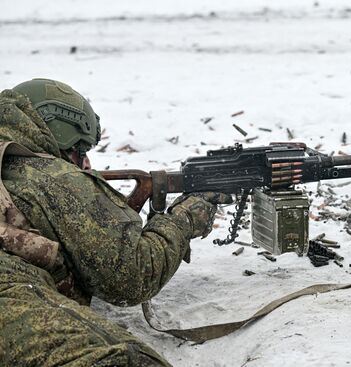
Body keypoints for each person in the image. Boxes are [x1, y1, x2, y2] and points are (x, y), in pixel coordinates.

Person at [0, 78, 231, 366]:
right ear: (60, 134)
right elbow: (130, 277)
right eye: (80, 151)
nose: (86, 165)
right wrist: (183, 220)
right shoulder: (51, 177)